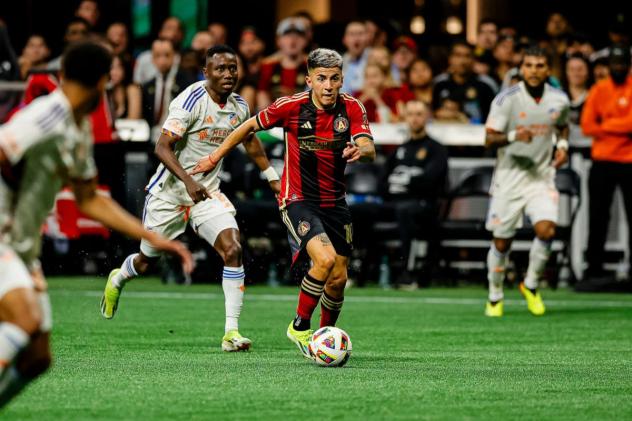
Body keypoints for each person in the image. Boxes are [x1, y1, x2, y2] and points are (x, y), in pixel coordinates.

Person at [0, 41, 192, 408]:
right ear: (104, 80)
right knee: (23, 323)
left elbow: (89, 198)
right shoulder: (46, 117)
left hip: (22, 250)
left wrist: (151, 236)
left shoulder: (79, 126)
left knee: (38, 356)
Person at [189, 48, 376, 358]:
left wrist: (362, 150)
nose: (328, 86)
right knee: (325, 261)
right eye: (321, 79)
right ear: (309, 80)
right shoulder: (291, 107)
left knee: (339, 279)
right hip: (297, 199)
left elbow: (368, 144)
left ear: (342, 80)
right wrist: (213, 156)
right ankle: (300, 327)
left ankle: (322, 336)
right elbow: (248, 126)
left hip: (335, 202)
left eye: (334, 79)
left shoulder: (353, 108)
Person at [101, 45, 280, 352]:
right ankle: (118, 278)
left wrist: (271, 177)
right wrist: (188, 180)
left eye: (232, 68)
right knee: (146, 263)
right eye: (220, 69)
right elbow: (162, 147)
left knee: (233, 248)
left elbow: (248, 139)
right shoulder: (190, 100)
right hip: (169, 195)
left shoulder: (238, 105)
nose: (228, 74)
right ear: (205, 72)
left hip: (207, 194)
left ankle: (231, 333)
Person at [484, 46, 570, 317]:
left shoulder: (559, 99)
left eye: (540, 65)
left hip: (541, 176)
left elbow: (562, 125)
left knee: (547, 231)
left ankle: (531, 285)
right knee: (502, 242)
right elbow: (489, 139)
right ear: (522, 69)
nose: (534, 71)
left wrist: (563, 146)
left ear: (548, 70)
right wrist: (512, 136)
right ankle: (495, 295)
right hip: (509, 177)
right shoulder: (505, 100)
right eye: (529, 65)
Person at [380, 100, 448, 287]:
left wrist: (401, 182)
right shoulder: (399, 150)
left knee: (405, 211)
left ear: (427, 117)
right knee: (358, 211)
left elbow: (430, 182)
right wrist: (403, 184)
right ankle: (350, 271)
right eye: (410, 114)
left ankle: (407, 273)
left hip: (423, 205)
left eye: (419, 114)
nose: (415, 119)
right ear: (405, 118)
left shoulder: (437, 149)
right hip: (395, 202)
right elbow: (382, 182)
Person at [580, 45, 632, 282]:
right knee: (598, 217)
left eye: (623, 63)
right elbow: (587, 126)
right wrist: (621, 127)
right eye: (615, 64)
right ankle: (594, 269)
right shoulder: (599, 90)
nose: (619, 67)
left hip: (629, 161)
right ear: (609, 66)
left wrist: (607, 125)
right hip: (602, 161)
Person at [433, 40, 498, 123]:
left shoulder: (486, 84)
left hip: (477, 134)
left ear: (473, 59)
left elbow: (494, 117)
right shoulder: (439, 83)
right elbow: (433, 113)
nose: (462, 61)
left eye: (467, 56)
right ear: (450, 58)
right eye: (458, 55)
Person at [108, 53, 141, 119]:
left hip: (134, 128)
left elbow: (134, 118)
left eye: (119, 68)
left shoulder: (133, 89)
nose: (113, 72)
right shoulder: (109, 89)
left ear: (126, 69)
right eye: (111, 68)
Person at [341, 20, 370, 93]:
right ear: (344, 40)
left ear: (367, 38)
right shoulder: (336, 63)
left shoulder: (375, 59)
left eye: (360, 34)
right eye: (352, 34)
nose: (356, 38)